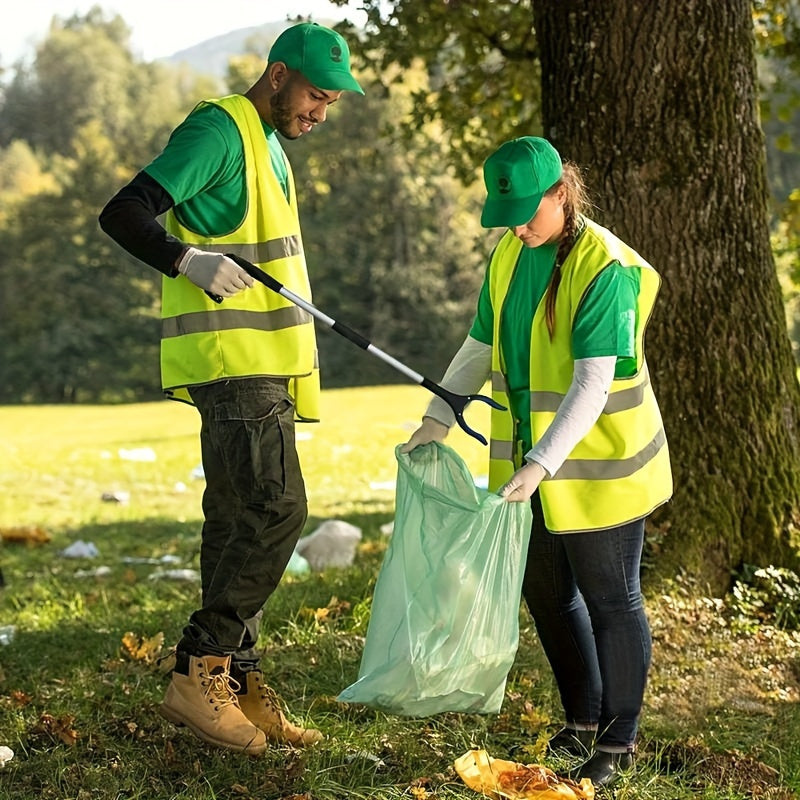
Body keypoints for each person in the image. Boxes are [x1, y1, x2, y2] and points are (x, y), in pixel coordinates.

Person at [99, 22, 364, 755]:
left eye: (332, 101)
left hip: (259, 363)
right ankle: (200, 670)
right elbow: (123, 211)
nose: (321, 110)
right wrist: (186, 260)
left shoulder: (271, 145)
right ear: (277, 75)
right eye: (315, 94)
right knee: (280, 509)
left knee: (236, 517)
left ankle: (235, 680)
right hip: (232, 361)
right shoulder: (223, 130)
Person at [402, 136, 673, 788]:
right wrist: (438, 413)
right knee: (548, 594)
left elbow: (592, 384)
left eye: (530, 212)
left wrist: (543, 462)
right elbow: (479, 342)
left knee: (612, 599)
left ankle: (618, 740)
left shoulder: (600, 266)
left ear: (562, 191)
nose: (519, 227)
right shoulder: (509, 256)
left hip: (599, 464)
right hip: (534, 467)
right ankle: (581, 721)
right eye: (509, 216)